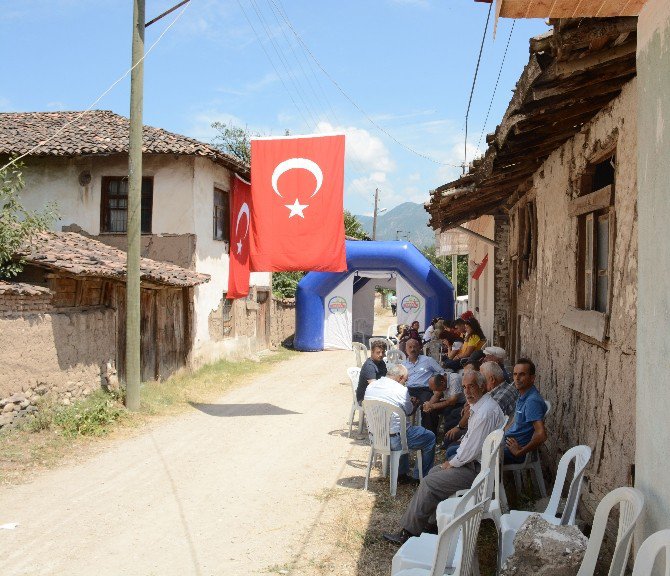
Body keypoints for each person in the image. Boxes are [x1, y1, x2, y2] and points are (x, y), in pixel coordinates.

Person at [383, 370, 504, 545]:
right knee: (433, 471)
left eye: (471, 386)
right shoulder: (483, 406)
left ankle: (408, 532)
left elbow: (470, 451)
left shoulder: (484, 412)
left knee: (429, 482)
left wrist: (452, 463)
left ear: (483, 386)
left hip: (478, 471)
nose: (467, 391)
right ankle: (432, 524)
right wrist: (453, 461)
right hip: (477, 465)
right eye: (464, 387)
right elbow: (471, 442)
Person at [364, 363, 436, 483]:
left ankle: (401, 473)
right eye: (405, 380)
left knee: (399, 427)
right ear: (401, 378)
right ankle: (420, 477)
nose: (405, 383)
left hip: (376, 436)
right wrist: (414, 403)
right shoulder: (401, 390)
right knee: (429, 437)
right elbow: (409, 411)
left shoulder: (371, 386)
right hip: (395, 440)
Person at [443, 360, 520, 459]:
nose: (479, 380)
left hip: (493, 445)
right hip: (492, 436)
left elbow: (482, 421)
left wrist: (462, 434)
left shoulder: (499, 398)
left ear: (491, 379)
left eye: (482, 377)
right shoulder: (501, 389)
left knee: (451, 449)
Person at [504, 358, 547, 464]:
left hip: (512, 453)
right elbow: (515, 420)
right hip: (503, 444)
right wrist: (501, 433)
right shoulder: (523, 394)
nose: (517, 378)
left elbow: (541, 435)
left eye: (522, 374)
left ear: (532, 378)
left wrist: (520, 452)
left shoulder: (532, 401)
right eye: (515, 374)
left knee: (473, 456)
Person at [402, 338, 446, 435]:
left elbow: (442, 373)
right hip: (409, 390)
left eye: (415, 347)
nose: (412, 349)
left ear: (419, 348)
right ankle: (403, 434)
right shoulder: (403, 364)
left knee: (429, 406)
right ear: (406, 349)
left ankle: (429, 435)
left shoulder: (428, 360)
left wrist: (436, 384)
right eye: (410, 347)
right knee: (398, 404)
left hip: (425, 389)